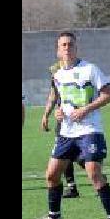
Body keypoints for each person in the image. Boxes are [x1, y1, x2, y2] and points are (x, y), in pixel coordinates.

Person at [31, 32, 110, 219]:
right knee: (51, 175)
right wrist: (56, 113)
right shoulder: (57, 74)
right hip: (66, 132)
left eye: (70, 44)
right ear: (58, 50)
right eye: (63, 45)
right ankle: (54, 216)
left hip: (90, 129)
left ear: (76, 48)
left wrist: (86, 109)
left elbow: (109, 94)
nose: (67, 48)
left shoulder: (90, 69)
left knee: (93, 172)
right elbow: (61, 100)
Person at [39, 59, 84, 199]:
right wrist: (46, 115)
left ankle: (93, 171)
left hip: (76, 119)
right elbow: (53, 97)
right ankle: (72, 187)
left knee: (72, 154)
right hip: (62, 122)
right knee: (64, 153)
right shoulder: (55, 75)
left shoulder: (78, 74)